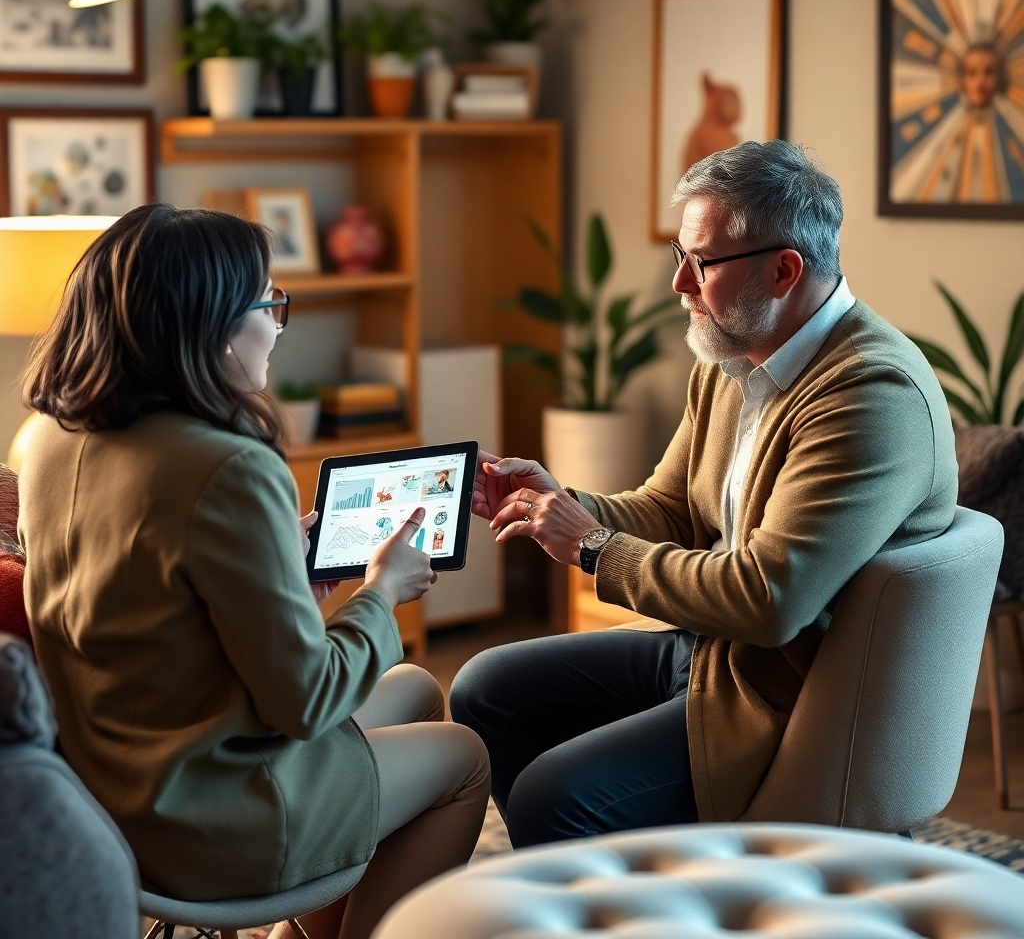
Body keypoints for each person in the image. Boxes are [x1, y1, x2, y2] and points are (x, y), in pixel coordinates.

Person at [450, 140, 957, 848]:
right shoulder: (734, 356)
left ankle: (629, 897)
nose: (679, 284)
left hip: (783, 694)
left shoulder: (869, 395)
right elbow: (668, 511)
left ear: (784, 271)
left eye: (703, 263)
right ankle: (604, 891)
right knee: (485, 689)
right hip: (709, 653)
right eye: (680, 257)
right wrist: (558, 504)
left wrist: (592, 546)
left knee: (551, 796)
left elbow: (770, 599)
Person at [18, 205, 490, 939]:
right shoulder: (230, 468)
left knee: (418, 689)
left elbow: (155, 612)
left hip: (108, 789)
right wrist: (382, 592)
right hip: (209, 818)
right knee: (462, 757)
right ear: (210, 322)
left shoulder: (43, 438)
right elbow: (302, 702)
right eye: (269, 304)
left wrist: (286, 577)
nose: (276, 324)